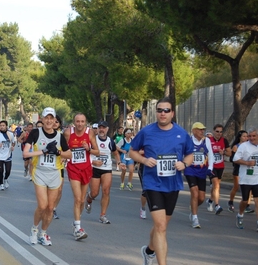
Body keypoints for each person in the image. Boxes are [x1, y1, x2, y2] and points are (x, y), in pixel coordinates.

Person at [129, 97, 194, 265]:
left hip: (173, 184)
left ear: (172, 113)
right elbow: (132, 152)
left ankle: (149, 250)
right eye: (159, 110)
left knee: (161, 226)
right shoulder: (147, 131)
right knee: (161, 226)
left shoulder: (181, 133)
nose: (162, 113)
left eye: (166, 110)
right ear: (156, 112)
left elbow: (190, 154)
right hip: (152, 183)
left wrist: (184, 163)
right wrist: (143, 161)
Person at [23, 107, 71, 246]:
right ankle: (34, 229)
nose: (49, 121)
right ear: (42, 119)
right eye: (46, 118)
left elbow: (69, 154)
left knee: (50, 208)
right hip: (39, 172)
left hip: (54, 173)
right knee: (42, 205)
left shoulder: (60, 136)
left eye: (52, 118)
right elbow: (26, 154)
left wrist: (57, 152)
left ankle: (43, 234)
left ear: (55, 120)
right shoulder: (35, 133)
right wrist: (43, 151)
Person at [64, 113, 99, 241]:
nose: (80, 124)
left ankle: (76, 222)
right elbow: (63, 149)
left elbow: (97, 151)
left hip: (86, 168)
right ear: (74, 122)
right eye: (77, 121)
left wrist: (88, 148)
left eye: (82, 121)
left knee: (83, 200)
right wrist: (65, 156)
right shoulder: (68, 133)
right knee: (78, 198)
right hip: (73, 168)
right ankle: (78, 228)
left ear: (85, 122)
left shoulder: (90, 133)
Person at [85, 121, 123, 224]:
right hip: (94, 168)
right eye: (100, 128)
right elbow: (85, 153)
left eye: (103, 128)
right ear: (97, 129)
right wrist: (93, 161)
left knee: (106, 191)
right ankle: (89, 197)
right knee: (95, 192)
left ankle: (103, 215)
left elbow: (115, 153)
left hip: (106, 168)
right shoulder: (92, 140)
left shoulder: (110, 141)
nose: (101, 129)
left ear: (107, 129)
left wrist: (119, 162)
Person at [184, 122, 215, 228]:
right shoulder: (188, 141)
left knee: (201, 198)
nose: (202, 131)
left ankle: (193, 208)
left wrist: (210, 168)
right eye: (200, 129)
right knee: (194, 192)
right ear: (193, 130)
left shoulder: (206, 141)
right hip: (190, 169)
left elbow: (211, 155)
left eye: (203, 129)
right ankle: (195, 218)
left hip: (202, 171)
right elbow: (182, 153)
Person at [233, 127, 258, 230]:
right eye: (249, 136)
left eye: (254, 136)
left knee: (257, 201)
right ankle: (240, 214)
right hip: (246, 178)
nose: (251, 138)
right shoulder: (244, 146)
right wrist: (247, 163)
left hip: (257, 178)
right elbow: (235, 159)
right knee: (245, 200)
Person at [206, 124, 231, 215]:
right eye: (217, 131)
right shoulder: (208, 140)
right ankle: (217, 205)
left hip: (220, 166)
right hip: (211, 166)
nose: (219, 133)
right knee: (216, 185)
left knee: (215, 187)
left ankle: (210, 200)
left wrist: (223, 152)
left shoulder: (224, 141)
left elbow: (229, 153)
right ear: (213, 131)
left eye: (221, 132)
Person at [0, 120, 16, 190]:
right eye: (1, 125)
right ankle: (1, 184)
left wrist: (13, 146)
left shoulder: (10, 134)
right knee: (1, 171)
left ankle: (5, 179)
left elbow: (13, 142)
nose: (2, 127)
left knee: (8, 171)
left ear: (6, 126)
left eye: (3, 125)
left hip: (8, 155)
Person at [52, 115, 64, 219]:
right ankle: (47, 207)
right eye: (53, 121)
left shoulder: (62, 136)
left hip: (59, 166)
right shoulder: (43, 134)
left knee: (59, 190)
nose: (55, 123)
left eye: (57, 122)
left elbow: (68, 150)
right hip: (46, 167)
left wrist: (64, 156)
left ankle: (53, 208)